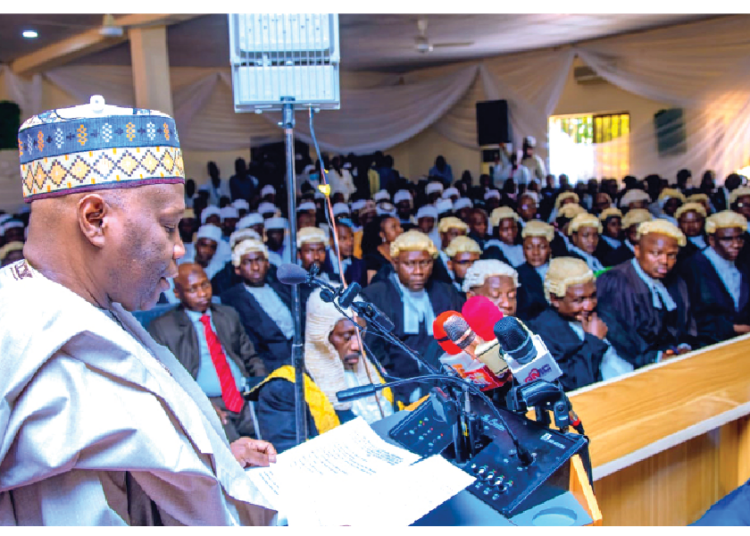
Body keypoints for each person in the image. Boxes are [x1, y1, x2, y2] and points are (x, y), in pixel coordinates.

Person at [0, 100, 277, 525]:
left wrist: (214, 461)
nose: (179, 249)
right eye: (168, 226)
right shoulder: (18, 339)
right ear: (95, 220)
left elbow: (127, 479)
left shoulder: (99, 308)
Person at [247, 289, 397, 453]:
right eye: (347, 336)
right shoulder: (285, 388)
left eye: (361, 334)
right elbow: (289, 457)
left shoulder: (369, 367)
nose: (357, 346)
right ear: (321, 336)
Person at [149, 263, 268, 442]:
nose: (203, 294)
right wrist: (201, 405)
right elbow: (166, 380)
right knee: (238, 451)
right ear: (177, 293)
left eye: (205, 285)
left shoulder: (227, 315)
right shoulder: (163, 328)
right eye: (192, 289)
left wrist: (264, 389)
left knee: (278, 434)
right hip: (205, 404)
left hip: (244, 396)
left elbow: (250, 357)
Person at [362, 230, 464, 403]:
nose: (418, 271)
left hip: (445, 381)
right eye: (409, 264)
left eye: (425, 263)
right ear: (395, 263)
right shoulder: (376, 296)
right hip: (397, 384)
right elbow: (375, 351)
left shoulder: (446, 293)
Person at [597, 220, 698, 370]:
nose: (664, 261)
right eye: (655, 253)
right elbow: (620, 337)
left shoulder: (675, 280)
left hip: (673, 358)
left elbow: (685, 322)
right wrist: (656, 357)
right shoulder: (616, 281)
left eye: (671, 255)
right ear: (637, 250)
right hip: (632, 365)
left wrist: (684, 346)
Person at [528, 257, 631, 390]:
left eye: (592, 296)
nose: (589, 306)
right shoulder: (542, 333)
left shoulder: (601, 311)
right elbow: (573, 384)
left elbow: (633, 349)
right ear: (554, 299)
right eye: (579, 300)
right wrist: (594, 341)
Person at [220, 238, 294, 372]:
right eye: (248, 262)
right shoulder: (232, 298)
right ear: (238, 269)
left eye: (259, 260)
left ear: (267, 264)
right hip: (269, 364)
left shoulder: (283, 288)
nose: (255, 267)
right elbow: (247, 345)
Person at [681, 211, 750, 346]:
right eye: (727, 239)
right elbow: (691, 316)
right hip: (708, 344)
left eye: (739, 238)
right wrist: (733, 328)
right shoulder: (692, 267)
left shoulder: (742, 265)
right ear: (712, 240)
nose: (736, 244)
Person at [515, 220, 554, 321]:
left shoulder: (560, 269)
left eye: (541, 247)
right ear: (523, 250)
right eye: (529, 248)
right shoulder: (517, 275)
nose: (535, 253)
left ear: (550, 248)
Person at [361, 215, 403, 284]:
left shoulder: (404, 253)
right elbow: (373, 286)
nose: (400, 230)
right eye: (393, 227)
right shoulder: (372, 258)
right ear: (382, 234)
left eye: (400, 226)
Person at [323, 222, 367, 287]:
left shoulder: (359, 266)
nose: (349, 243)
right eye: (343, 239)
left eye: (351, 238)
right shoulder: (321, 259)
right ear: (331, 241)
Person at [675, 202, 708, 267]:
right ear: (679, 224)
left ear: (703, 221)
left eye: (695, 221)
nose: (691, 226)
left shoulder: (712, 240)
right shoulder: (678, 245)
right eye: (685, 222)